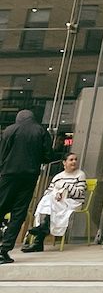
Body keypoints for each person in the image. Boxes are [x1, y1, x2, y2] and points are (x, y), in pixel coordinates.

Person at [0, 109, 51, 264]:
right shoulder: (41, 130)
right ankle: (4, 250)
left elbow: (2, 154)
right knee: (19, 213)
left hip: (8, 174)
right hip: (29, 176)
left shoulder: (9, 130)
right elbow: (47, 155)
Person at [22, 152, 87, 252]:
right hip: (57, 202)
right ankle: (43, 230)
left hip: (73, 202)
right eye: (71, 160)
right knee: (47, 199)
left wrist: (64, 187)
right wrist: (55, 194)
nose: (74, 161)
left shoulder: (80, 174)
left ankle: (39, 238)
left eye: (75, 159)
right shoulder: (58, 176)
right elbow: (48, 191)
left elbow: (79, 193)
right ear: (64, 163)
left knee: (49, 203)